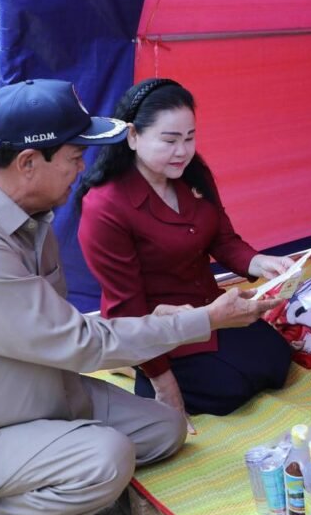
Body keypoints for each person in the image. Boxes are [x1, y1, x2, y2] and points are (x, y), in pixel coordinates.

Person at [0, 79, 280, 515]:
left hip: (32, 384)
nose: (82, 167)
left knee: (166, 429)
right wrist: (204, 321)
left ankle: (49, 464)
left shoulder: (27, 216)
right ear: (29, 163)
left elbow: (60, 328)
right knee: (107, 460)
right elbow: (82, 341)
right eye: (74, 156)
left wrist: (186, 315)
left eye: (188, 138)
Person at [76, 78, 294, 418]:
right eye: (169, 140)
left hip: (211, 308)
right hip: (156, 327)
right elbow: (128, 310)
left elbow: (223, 239)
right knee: (229, 392)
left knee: (276, 362)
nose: (183, 151)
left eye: (190, 138)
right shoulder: (105, 206)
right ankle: (136, 366)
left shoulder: (193, 173)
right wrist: (164, 385)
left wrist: (259, 262)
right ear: (132, 136)